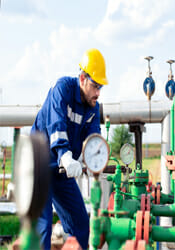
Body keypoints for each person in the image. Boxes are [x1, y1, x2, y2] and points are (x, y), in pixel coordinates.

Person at [31, 48, 108, 249]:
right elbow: (56, 125)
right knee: (44, 226)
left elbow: (94, 139)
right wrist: (65, 154)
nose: (98, 92)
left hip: (61, 170)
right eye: (95, 85)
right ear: (82, 78)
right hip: (39, 164)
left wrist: (89, 159)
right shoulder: (62, 89)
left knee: (81, 224)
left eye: (101, 87)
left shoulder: (92, 108)